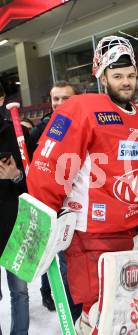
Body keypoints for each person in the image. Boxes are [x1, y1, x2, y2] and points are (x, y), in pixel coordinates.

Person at [26, 36, 138, 333]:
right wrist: (43, 217)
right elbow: (49, 168)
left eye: (130, 76)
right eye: (117, 76)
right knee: (98, 316)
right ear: (102, 77)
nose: (126, 82)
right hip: (90, 236)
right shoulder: (81, 109)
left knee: (126, 317)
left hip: (130, 236)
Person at [27, 80, 82, 320]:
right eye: (55, 99)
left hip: (82, 207)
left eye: (65, 98)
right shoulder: (41, 129)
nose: (59, 103)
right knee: (62, 264)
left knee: (80, 267)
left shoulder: (84, 125)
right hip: (54, 208)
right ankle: (69, 314)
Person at [0, 84, 30, 335]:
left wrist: (17, 175)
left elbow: (32, 183)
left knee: (19, 291)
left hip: (14, 226)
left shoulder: (15, 133)